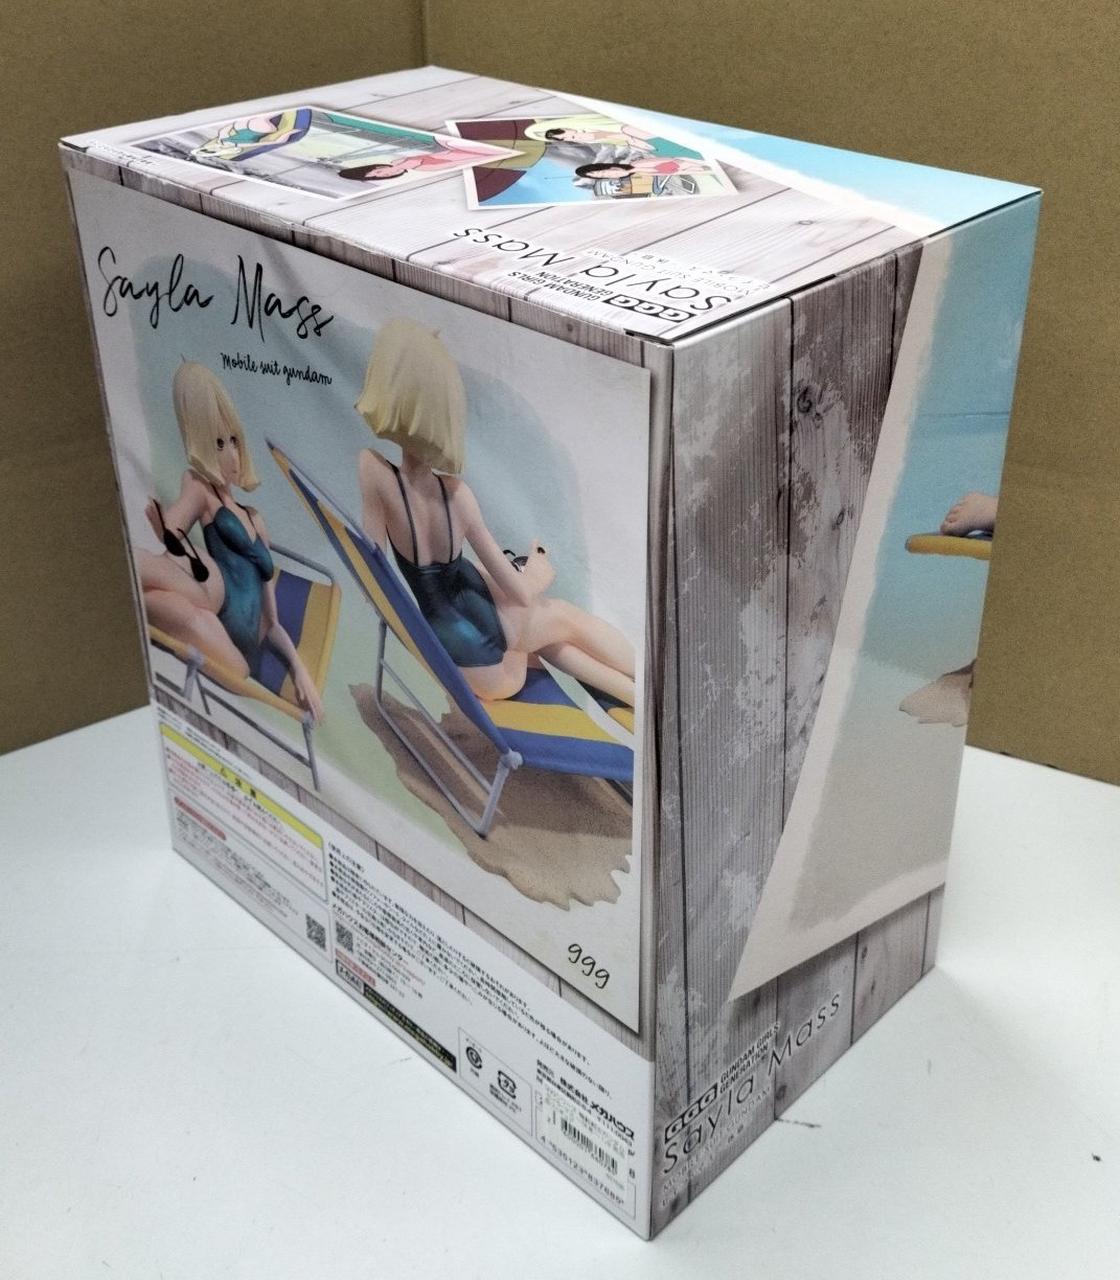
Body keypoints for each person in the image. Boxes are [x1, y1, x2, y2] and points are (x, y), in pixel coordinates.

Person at [355, 319, 636, 706]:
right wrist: (537, 572)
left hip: (446, 648)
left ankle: (634, 695)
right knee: (562, 616)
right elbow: (521, 595)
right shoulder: (458, 497)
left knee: (549, 633)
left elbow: (374, 572)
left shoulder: (372, 471)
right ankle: (647, 679)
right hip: (491, 666)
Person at [137, 361, 324, 720]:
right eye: (218, 444)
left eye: (234, 440)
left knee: (209, 638)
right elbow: (174, 527)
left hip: (230, 644)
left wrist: (300, 670)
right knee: (194, 575)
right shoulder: (200, 488)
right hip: (210, 590)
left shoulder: (255, 518)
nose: (231, 456)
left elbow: (272, 625)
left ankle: (126, 583)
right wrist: (165, 530)